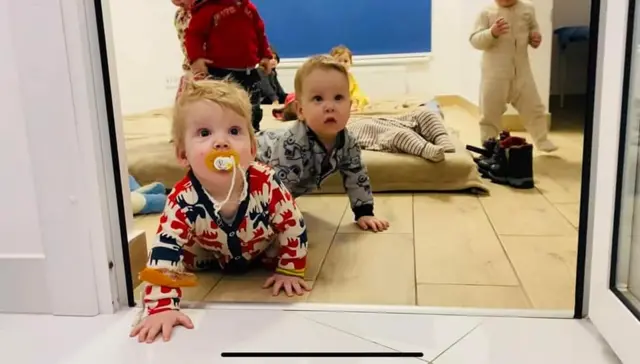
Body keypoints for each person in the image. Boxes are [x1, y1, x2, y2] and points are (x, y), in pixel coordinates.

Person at [130, 78, 310, 343]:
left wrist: (290, 269)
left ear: (252, 148)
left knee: (280, 244)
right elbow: (165, 251)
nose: (221, 143)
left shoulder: (268, 182)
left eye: (234, 131)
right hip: (208, 253)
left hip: (258, 246)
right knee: (181, 255)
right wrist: (162, 306)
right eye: (205, 133)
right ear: (182, 155)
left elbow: (293, 224)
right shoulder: (182, 199)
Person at [255, 55, 389, 232]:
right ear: (301, 110)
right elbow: (279, 186)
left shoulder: (348, 143)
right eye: (318, 99)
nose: (330, 106)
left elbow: (356, 176)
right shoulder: (292, 144)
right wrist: (278, 219)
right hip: (255, 159)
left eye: (338, 97)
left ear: (350, 106)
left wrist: (364, 212)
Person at [469, 0, 557, 152]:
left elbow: (533, 29)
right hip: (494, 72)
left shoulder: (527, 9)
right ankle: (488, 144)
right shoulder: (486, 12)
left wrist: (534, 38)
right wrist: (492, 33)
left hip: (522, 71)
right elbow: (475, 40)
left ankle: (542, 139)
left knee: (534, 106)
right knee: (490, 111)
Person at [184, 0, 272, 131]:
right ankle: (220, 134)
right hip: (220, 72)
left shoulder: (249, 8)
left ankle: (251, 135)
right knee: (220, 108)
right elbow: (194, 35)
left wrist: (265, 55)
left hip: (248, 71)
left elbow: (260, 32)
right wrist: (197, 58)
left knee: (253, 109)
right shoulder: (208, 8)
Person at [348, 107, 456, 163]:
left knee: (425, 114)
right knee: (401, 135)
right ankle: (426, 149)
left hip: (394, 121)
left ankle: (441, 138)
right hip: (376, 132)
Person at [330, 45, 370, 112]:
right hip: (337, 98)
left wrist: (356, 97)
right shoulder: (331, 77)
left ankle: (353, 106)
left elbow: (356, 88)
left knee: (362, 97)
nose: (342, 64)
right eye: (339, 61)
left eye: (346, 61)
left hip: (350, 96)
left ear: (350, 63)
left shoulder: (350, 76)